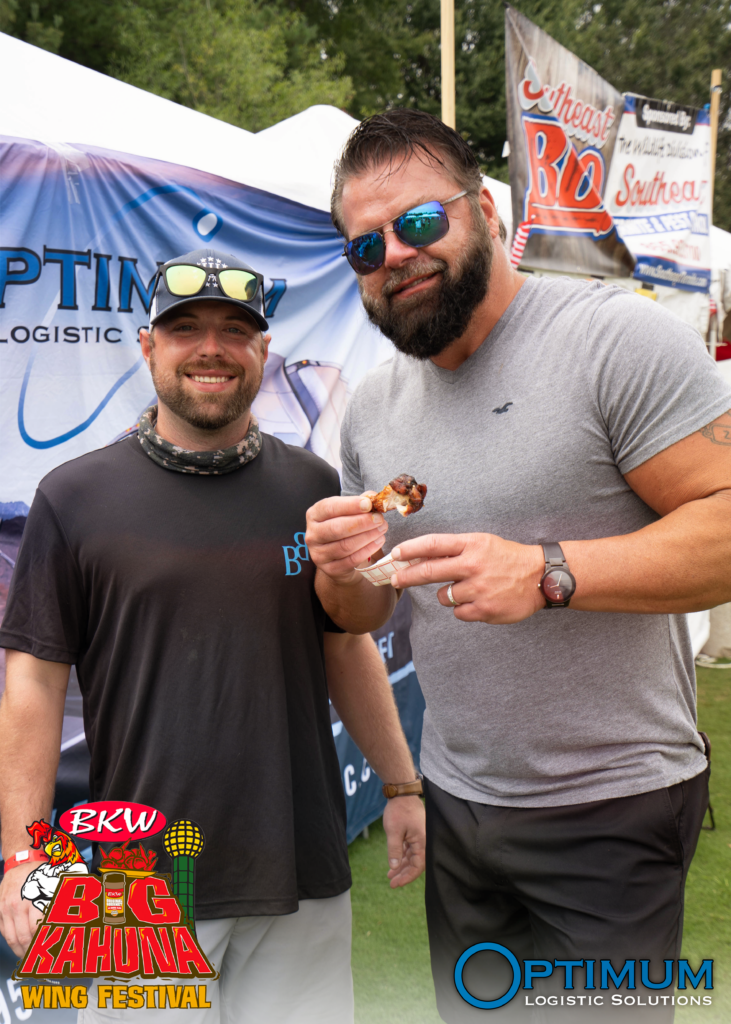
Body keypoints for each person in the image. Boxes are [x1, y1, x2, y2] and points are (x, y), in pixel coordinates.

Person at [305, 110, 731, 1022]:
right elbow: (358, 618)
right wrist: (339, 568)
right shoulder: (373, 411)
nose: (395, 257)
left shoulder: (611, 340)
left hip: (609, 804)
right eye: (364, 248)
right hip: (462, 799)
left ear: (487, 211)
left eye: (420, 223)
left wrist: (547, 571)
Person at [0, 247, 426, 1024]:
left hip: (301, 867)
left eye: (235, 330)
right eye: (184, 326)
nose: (210, 348)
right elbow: (33, 681)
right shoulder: (73, 497)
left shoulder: (311, 487)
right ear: (147, 346)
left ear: (264, 351)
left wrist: (401, 784)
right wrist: (25, 854)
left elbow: (344, 645)